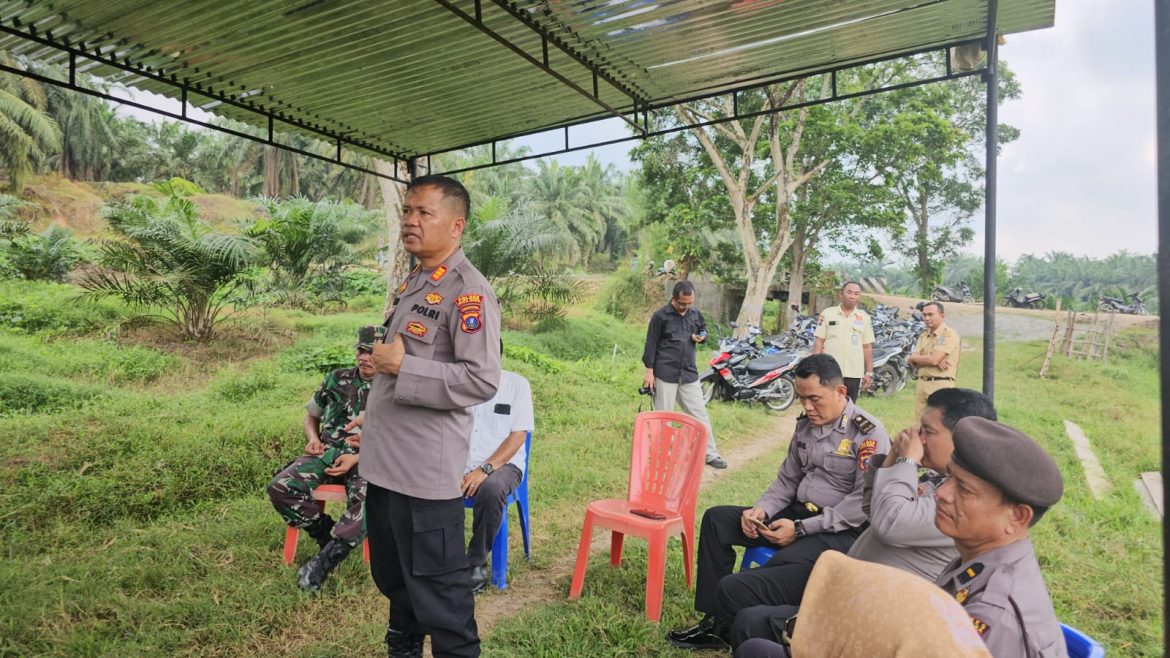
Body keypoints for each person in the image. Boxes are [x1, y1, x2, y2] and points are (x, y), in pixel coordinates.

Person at [726, 388, 997, 648]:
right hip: (850, 588)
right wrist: (892, 457)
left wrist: (906, 463)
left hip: (877, 614)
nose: (919, 438)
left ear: (963, 439)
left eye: (929, 431)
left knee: (750, 623)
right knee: (744, 593)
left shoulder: (962, 501)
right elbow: (873, 508)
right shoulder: (938, 479)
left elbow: (889, 523)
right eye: (920, 429)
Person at [357, 174, 502, 658]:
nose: (410, 222)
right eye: (408, 212)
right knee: (396, 582)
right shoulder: (415, 281)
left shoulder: (470, 291)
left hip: (424, 476)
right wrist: (382, 364)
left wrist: (403, 365)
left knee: (442, 599)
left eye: (424, 213)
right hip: (384, 468)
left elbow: (481, 380)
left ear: (456, 226)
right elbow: (408, 359)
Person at [666, 354, 890, 650]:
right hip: (796, 513)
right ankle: (715, 622)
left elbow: (860, 505)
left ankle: (742, 620)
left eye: (814, 399)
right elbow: (787, 480)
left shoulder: (868, 434)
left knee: (773, 568)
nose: (807, 407)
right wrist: (762, 509)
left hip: (834, 530)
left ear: (840, 392)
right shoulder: (805, 425)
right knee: (718, 520)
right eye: (801, 399)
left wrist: (799, 529)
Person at [933, 416, 1067, 657]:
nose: (941, 492)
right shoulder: (980, 558)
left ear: (1017, 517)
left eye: (963, 488)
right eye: (948, 476)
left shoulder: (993, 614)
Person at [267, 325, 381, 591]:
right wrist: (313, 438)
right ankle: (324, 532)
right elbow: (311, 416)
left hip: (369, 458)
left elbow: (402, 435)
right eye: (361, 350)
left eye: (372, 352)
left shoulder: (393, 387)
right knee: (280, 487)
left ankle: (323, 563)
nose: (364, 357)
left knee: (370, 501)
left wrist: (357, 458)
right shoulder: (336, 378)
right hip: (327, 452)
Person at [461, 356, 534, 594]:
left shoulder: (516, 385)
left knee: (491, 490)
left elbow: (518, 436)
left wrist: (485, 470)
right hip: (460, 462)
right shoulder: (458, 383)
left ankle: (475, 562)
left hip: (504, 466)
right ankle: (443, 556)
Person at [642, 280, 726, 469]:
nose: (686, 307)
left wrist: (702, 337)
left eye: (689, 303)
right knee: (664, 417)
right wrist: (649, 371)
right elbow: (651, 344)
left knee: (699, 414)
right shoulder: (660, 316)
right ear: (673, 299)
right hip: (665, 373)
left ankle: (710, 454)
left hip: (688, 373)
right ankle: (662, 455)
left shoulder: (695, 314)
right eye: (682, 303)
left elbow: (703, 329)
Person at [811, 281, 874, 401]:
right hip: (830, 372)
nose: (852, 296)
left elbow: (867, 346)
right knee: (828, 405)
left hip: (854, 372)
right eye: (849, 292)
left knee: (848, 408)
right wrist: (814, 369)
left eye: (856, 293)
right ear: (841, 294)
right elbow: (819, 342)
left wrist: (869, 373)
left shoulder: (864, 318)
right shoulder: (828, 314)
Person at [908, 301, 961, 417]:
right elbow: (912, 361)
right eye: (924, 315)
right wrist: (929, 359)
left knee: (938, 423)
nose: (926, 318)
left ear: (942, 316)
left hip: (940, 384)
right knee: (919, 424)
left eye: (930, 315)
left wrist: (929, 359)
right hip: (922, 383)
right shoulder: (924, 335)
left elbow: (934, 359)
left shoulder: (949, 334)